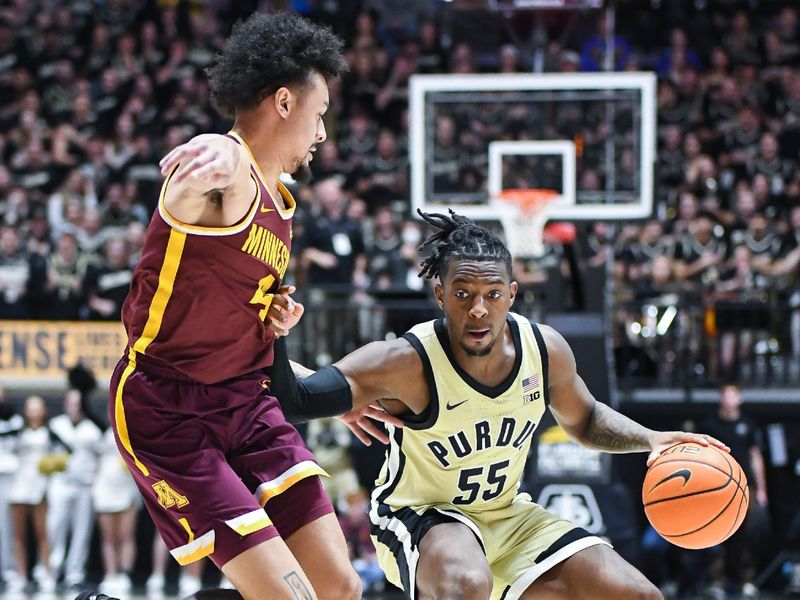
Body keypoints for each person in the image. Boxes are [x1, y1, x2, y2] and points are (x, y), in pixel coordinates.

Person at [284, 210, 730, 600]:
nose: (479, 309)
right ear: (440, 295)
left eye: (492, 294)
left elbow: (587, 418)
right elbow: (296, 398)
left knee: (637, 594)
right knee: (466, 582)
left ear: (512, 294)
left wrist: (651, 440)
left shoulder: (544, 349)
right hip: (419, 515)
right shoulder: (404, 362)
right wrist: (274, 332)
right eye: (462, 294)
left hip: (507, 515)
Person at [102, 11, 388, 600]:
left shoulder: (280, 203)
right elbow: (220, 168)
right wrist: (220, 150)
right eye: (320, 115)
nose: (322, 135)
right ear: (284, 102)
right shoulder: (225, 178)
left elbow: (235, 334)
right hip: (168, 410)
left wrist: (326, 391)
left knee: (338, 588)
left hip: (246, 402)